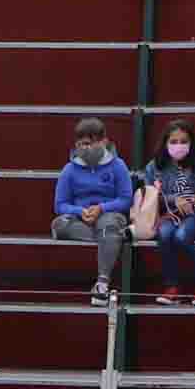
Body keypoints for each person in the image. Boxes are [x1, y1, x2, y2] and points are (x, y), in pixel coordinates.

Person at [50, 119, 132, 298]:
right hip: (81, 218)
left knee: (109, 224)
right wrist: (80, 212)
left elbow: (126, 200)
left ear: (103, 142)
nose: (84, 148)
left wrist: (101, 208)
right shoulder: (69, 170)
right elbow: (60, 205)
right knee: (59, 224)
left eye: (88, 143)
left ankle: (102, 283)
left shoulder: (118, 166)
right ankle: (109, 239)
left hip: (109, 214)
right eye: (80, 144)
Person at [139, 118, 195, 302]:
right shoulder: (154, 167)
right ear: (165, 143)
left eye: (183, 141)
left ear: (191, 143)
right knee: (165, 235)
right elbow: (150, 196)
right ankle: (172, 287)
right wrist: (175, 199)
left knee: (182, 236)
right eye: (173, 141)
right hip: (169, 215)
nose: (178, 145)